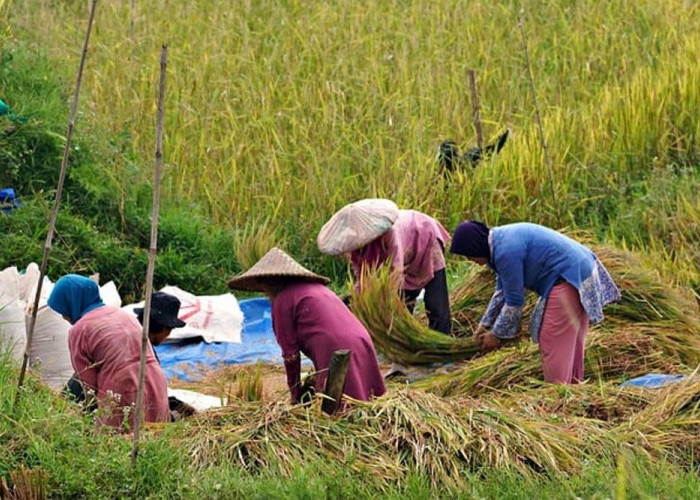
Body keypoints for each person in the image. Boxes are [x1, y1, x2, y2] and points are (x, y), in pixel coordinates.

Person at [450, 221, 621, 384]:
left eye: (468, 254)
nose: (469, 259)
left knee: (551, 340)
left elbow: (515, 301)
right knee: (570, 343)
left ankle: (557, 395)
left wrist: (495, 335)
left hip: (567, 279)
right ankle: (573, 389)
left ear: (475, 247)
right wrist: (484, 325)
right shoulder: (499, 241)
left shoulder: (505, 252)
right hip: (579, 272)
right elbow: (501, 292)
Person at [227, 247, 386, 405]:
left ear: (269, 282)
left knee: (339, 404)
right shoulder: (318, 289)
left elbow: (290, 355)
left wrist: (295, 394)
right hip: (361, 337)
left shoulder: (283, 301)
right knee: (365, 397)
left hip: (334, 344)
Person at [48, 275, 170, 430]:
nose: (64, 316)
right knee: (153, 438)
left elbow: (89, 387)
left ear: (72, 302)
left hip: (122, 387)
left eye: (64, 310)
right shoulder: (123, 314)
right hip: (155, 381)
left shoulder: (79, 330)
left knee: (117, 445)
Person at [317, 199, 452, 336]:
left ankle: (443, 345)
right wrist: (356, 298)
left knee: (436, 302)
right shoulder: (355, 247)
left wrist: (384, 301)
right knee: (403, 311)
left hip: (424, 237)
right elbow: (362, 277)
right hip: (405, 256)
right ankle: (407, 345)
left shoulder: (390, 233)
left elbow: (396, 271)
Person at [134, 291, 196, 419]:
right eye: (169, 330)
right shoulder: (140, 350)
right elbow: (146, 394)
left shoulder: (137, 337)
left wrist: (174, 403)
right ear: (163, 327)